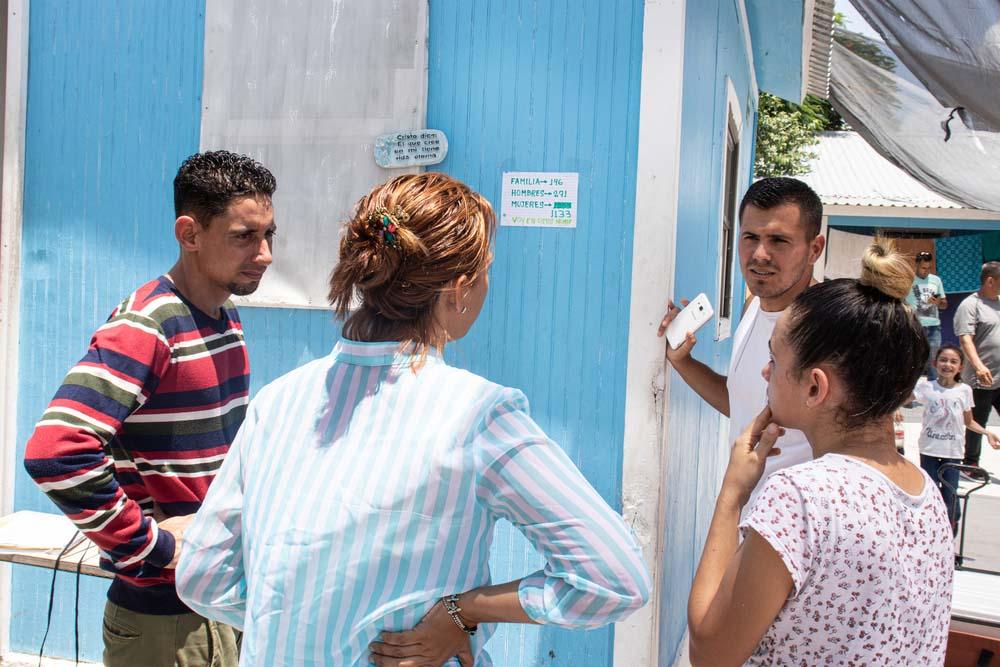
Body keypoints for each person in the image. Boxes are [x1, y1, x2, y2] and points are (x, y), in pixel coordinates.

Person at [175, 173, 650, 666]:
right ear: (458, 291)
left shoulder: (278, 403)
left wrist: (308, 625)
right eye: (486, 271)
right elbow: (616, 579)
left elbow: (201, 576)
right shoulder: (480, 418)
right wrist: (463, 611)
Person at [23, 151, 277, 667]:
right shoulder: (147, 325)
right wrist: (153, 547)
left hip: (219, 604)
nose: (265, 253)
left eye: (270, 234)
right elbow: (55, 452)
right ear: (190, 233)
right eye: (244, 236)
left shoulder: (223, 321)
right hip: (165, 622)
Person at [687, 238, 952, 665]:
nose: (765, 372)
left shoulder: (800, 497)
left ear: (815, 386)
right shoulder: (926, 492)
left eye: (774, 360)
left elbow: (709, 654)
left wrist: (732, 495)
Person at [658, 177, 825, 510]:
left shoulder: (828, 328)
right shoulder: (753, 308)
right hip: (749, 520)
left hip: (797, 530)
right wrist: (683, 362)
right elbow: (744, 403)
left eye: (778, 240)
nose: (760, 254)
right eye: (750, 237)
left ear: (814, 249)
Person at [911, 344, 1000, 532]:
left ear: (960, 367)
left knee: (950, 494)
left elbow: (969, 421)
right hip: (929, 449)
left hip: (952, 451)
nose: (947, 365)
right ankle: (933, 530)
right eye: (943, 360)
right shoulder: (926, 387)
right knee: (931, 491)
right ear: (935, 363)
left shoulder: (965, 391)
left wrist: (987, 433)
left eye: (953, 362)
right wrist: (893, 410)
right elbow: (904, 399)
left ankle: (950, 526)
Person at [955, 261, 1000, 468]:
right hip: (980, 378)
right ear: (990, 280)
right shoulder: (970, 305)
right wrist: (979, 366)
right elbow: (966, 339)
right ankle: (971, 464)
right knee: (977, 421)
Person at [905, 250, 947, 380]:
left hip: (934, 328)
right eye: (923, 268)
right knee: (913, 362)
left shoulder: (936, 280)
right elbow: (899, 301)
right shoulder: (908, 280)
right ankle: (910, 394)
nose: (926, 271)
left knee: (934, 363)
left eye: (929, 268)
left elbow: (944, 304)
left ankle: (933, 396)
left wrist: (939, 302)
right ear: (916, 265)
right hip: (915, 326)